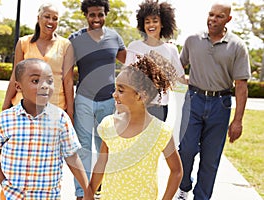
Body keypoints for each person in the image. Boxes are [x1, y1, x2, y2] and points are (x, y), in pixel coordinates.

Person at [176, 2, 251, 200]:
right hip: (193, 101)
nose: (213, 19)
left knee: (210, 159)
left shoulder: (237, 46)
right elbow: (177, 66)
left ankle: (202, 198)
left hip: (221, 105)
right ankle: (184, 186)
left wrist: (238, 120)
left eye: (219, 16)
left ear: (228, 19)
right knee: (186, 149)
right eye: (211, 15)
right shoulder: (193, 40)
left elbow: (241, 86)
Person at [0, 58, 92, 200]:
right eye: (36, 81)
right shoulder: (6, 119)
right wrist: (3, 182)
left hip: (48, 196)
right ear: (18, 87)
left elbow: (72, 156)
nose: (45, 86)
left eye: (49, 81)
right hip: (12, 195)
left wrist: (87, 190)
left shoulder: (60, 119)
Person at [88, 55, 183, 200]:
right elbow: (102, 162)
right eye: (115, 89)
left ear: (140, 96)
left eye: (121, 90)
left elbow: (176, 171)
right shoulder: (109, 125)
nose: (114, 94)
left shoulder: (160, 132)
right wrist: (89, 193)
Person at [68, 0, 126, 199]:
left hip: (109, 101)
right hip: (84, 100)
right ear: (85, 15)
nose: (96, 19)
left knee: (105, 147)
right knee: (82, 148)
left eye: (100, 14)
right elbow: (66, 74)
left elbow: (131, 61)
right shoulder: (75, 39)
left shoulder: (114, 37)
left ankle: (100, 188)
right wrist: (70, 105)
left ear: (105, 14)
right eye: (92, 15)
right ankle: (81, 192)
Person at [2, 3, 75, 121]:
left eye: (55, 19)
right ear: (38, 18)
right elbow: (15, 76)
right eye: (47, 16)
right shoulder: (23, 42)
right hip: (24, 106)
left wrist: (70, 113)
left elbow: (68, 81)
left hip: (55, 106)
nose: (51, 21)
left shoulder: (66, 45)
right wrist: (5, 106)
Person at [126, 0, 186, 122]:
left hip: (160, 106)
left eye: (155, 21)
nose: (151, 25)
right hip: (137, 104)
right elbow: (126, 77)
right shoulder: (134, 46)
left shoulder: (171, 49)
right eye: (147, 22)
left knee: (156, 140)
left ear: (162, 23)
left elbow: (180, 79)